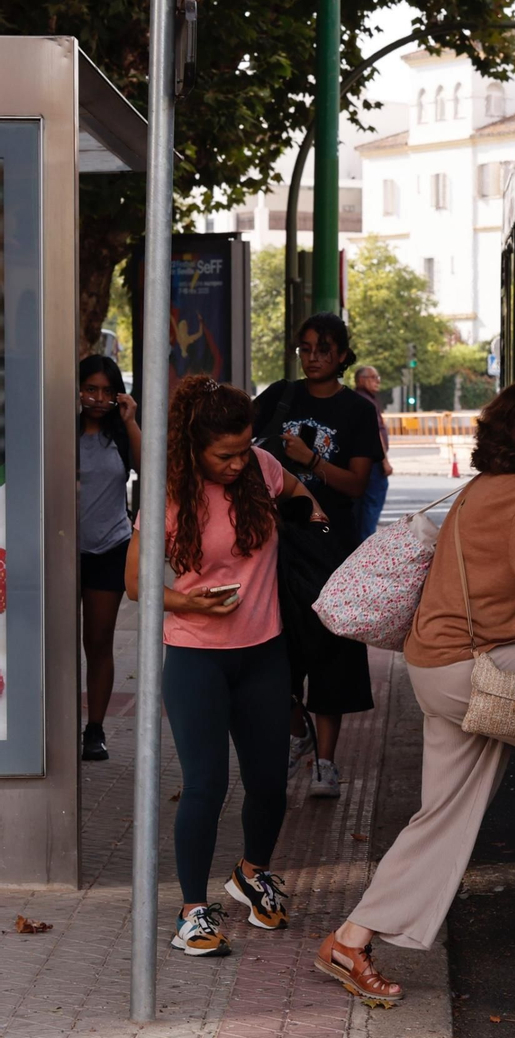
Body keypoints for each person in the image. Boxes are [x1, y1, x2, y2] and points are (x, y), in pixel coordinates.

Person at [315, 379, 515, 1005]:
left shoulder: (489, 489)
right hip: (480, 669)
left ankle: (349, 939)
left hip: (442, 669)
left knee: (443, 815)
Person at [126, 376, 327, 957]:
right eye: (226, 454)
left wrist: (303, 517)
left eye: (245, 448)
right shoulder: (168, 491)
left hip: (265, 651)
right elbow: (135, 582)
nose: (240, 462)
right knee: (206, 785)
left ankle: (251, 873)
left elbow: (299, 496)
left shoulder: (261, 467)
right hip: (195, 656)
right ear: (195, 447)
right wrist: (187, 600)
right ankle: (193, 909)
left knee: (269, 782)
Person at [255, 314, 383, 799]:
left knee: (333, 651)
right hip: (276, 543)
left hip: (331, 546)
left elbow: (356, 484)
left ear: (343, 355)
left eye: (324, 349)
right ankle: (297, 732)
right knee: (272, 646)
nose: (313, 357)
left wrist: (310, 462)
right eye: (305, 348)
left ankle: (325, 763)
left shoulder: (356, 410)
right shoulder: (279, 396)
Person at [77, 355, 139, 761]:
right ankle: (53, 724)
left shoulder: (119, 434)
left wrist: (131, 419)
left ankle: (94, 730)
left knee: (98, 642)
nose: (98, 399)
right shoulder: (59, 429)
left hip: (109, 548)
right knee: (55, 644)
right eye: (90, 389)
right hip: (60, 549)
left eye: (106, 391)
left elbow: (149, 468)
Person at [352, 364, 392, 542]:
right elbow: (375, 433)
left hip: (359, 462)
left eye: (378, 378)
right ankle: (365, 546)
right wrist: (385, 461)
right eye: (373, 377)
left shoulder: (357, 399)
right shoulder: (366, 402)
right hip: (372, 464)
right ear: (361, 380)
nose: (377, 382)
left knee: (361, 510)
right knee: (370, 508)